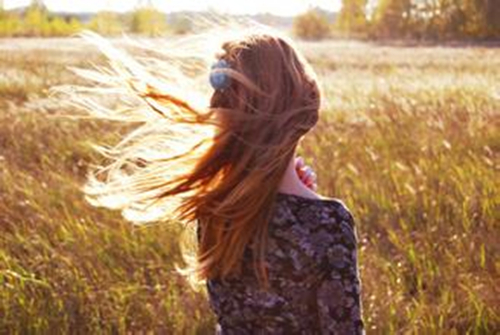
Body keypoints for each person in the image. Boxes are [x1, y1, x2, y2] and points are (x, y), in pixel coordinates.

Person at [60, 27, 364, 334]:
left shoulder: (215, 210)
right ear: (305, 108)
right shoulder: (328, 223)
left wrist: (294, 194)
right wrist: (310, 203)